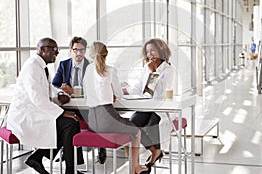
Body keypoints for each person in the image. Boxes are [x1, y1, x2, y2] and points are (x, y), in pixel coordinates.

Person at [6, 37, 84, 174]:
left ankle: (38, 158)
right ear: (43, 50)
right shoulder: (32, 67)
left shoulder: (41, 66)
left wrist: (60, 94)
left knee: (71, 121)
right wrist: (61, 112)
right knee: (70, 123)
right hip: (25, 115)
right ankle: (69, 170)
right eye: (54, 50)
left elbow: (48, 88)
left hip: (35, 111)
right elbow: (37, 98)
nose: (57, 53)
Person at [83, 42, 150, 174]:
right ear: (106, 54)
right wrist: (113, 94)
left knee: (128, 131)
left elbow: (87, 94)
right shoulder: (110, 70)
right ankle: (134, 168)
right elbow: (119, 94)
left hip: (92, 120)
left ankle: (134, 166)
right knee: (136, 132)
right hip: (107, 117)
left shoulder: (88, 70)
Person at [52, 36, 106, 164]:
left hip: (87, 107)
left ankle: (100, 146)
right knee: (64, 119)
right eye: (76, 50)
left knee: (93, 117)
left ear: (85, 51)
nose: (79, 53)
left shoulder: (92, 66)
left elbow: (97, 87)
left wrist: (79, 90)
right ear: (70, 50)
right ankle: (70, 152)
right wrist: (62, 89)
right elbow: (54, 83)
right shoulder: (64, 64)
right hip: (69, 106)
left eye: (82, 50)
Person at [128, 38, 175, 168]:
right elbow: (139, 87)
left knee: (150, 125)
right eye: (148, 52)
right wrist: (127, 92)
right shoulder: (146, 68)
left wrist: (154, 72)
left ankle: (157, 150)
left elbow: (161, 93)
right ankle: (155, 151)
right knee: (132, 125)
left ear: (161, 51)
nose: (150, 54)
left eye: (153, 50)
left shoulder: (168, 70)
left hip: (159, 107)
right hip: (145, 106)